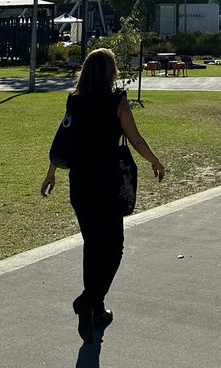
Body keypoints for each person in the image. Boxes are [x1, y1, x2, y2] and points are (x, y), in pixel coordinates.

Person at [40, 47, 165, 344]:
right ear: (110, 72)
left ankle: (95, 307)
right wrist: (154, 161)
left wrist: (51, 173)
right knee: (114, 246)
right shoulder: (117, 100)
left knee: (92, 245)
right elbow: (134, 138)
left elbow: (63, 140)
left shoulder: (75, 100)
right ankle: (90, 300)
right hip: (107, 181)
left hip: (81, 182)